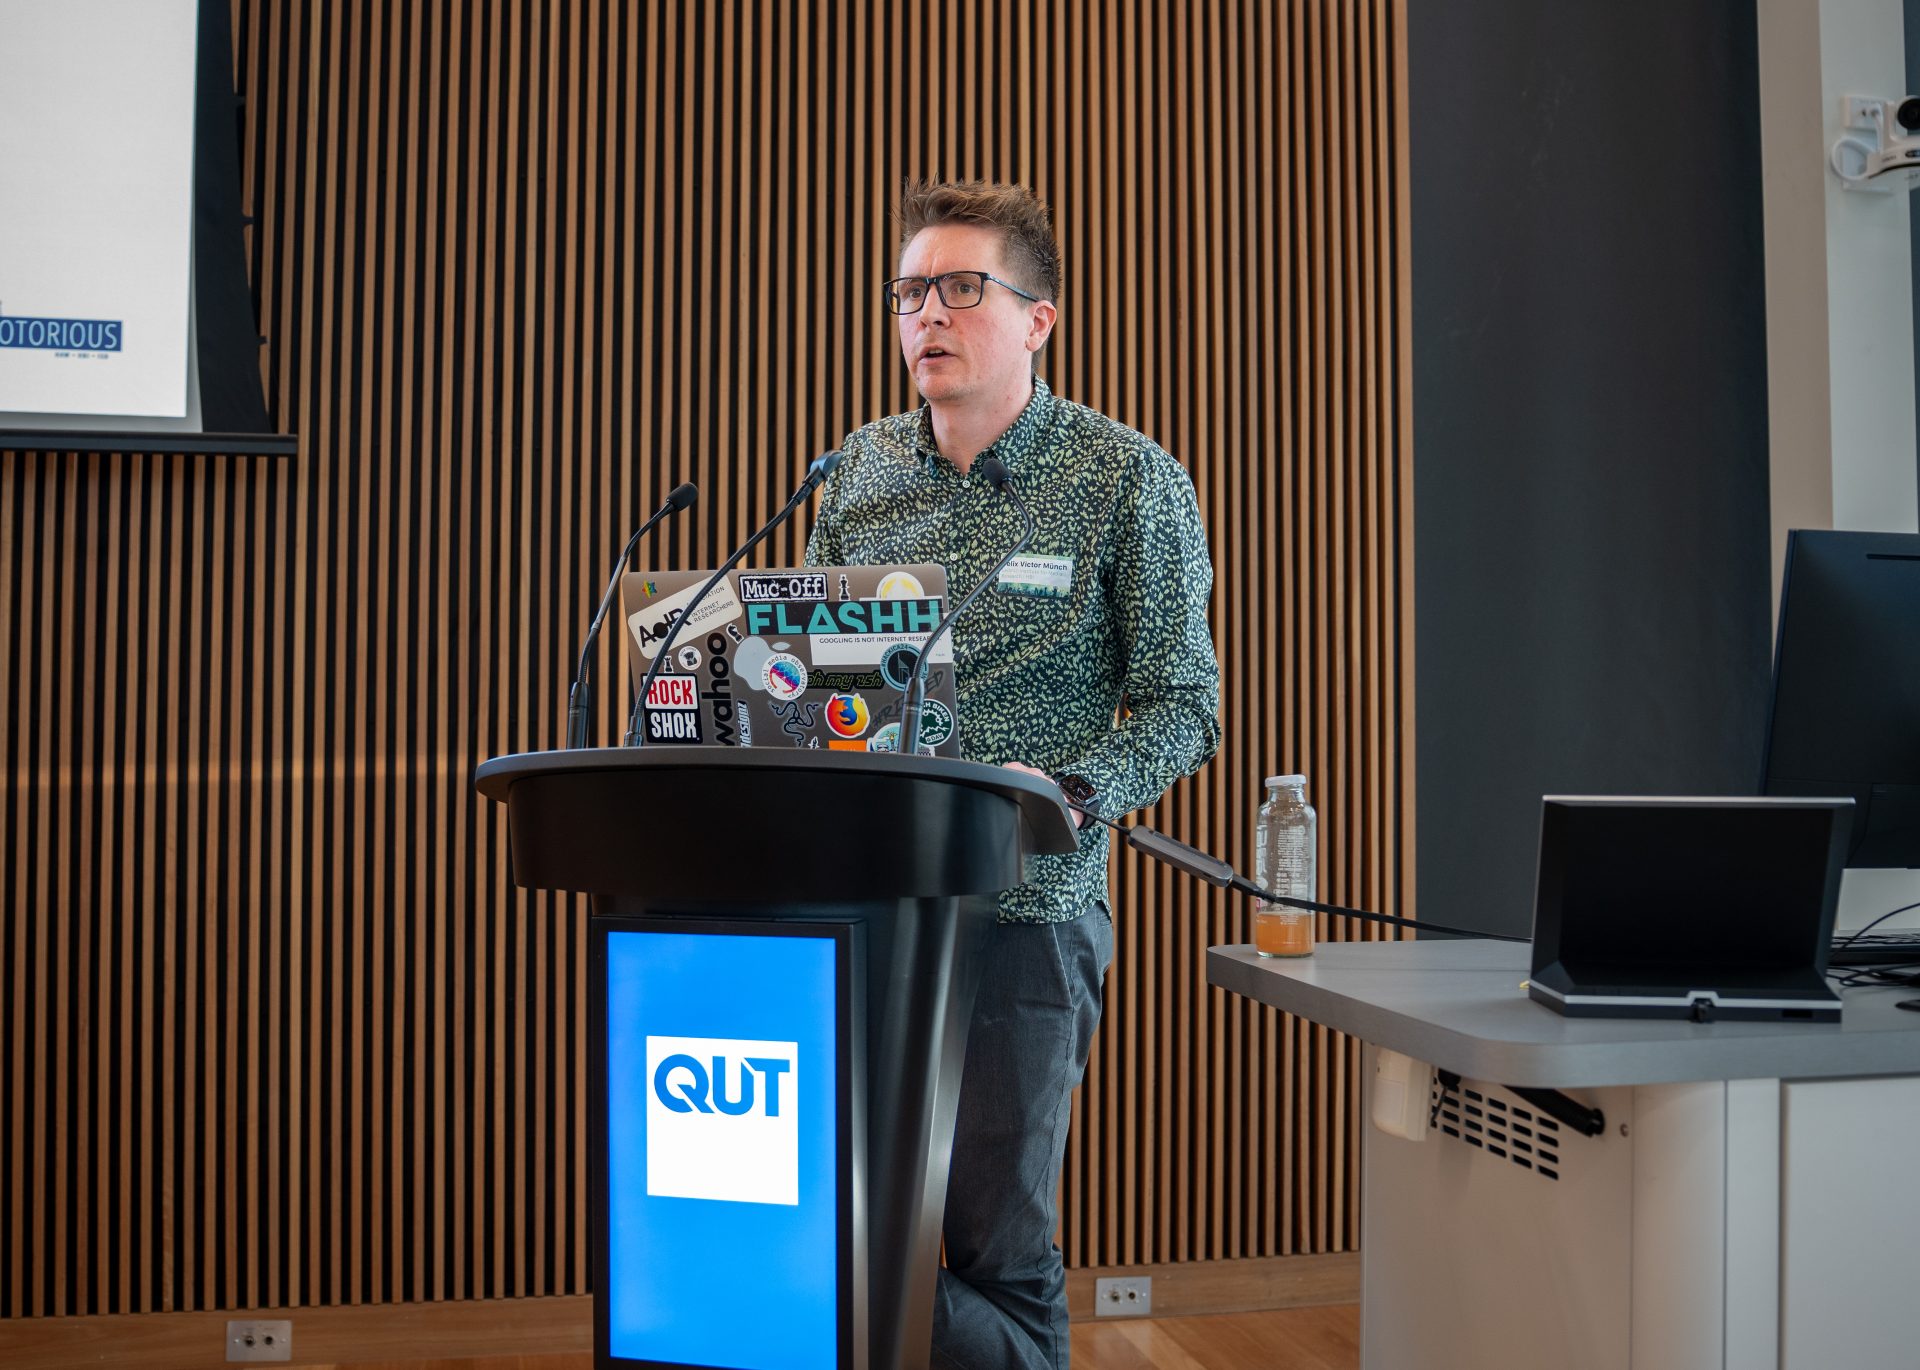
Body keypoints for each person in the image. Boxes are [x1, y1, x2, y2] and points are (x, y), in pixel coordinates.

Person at [805, 179, 1221, 1370]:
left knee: (997, 1248)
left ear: (1038, 318)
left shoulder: (1125, 479)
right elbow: (809, 688)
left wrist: (1074, 790)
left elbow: (1188, 704)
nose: (925, 314)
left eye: (959, 288)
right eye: (907, 291)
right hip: (870, 915)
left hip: (1027, 921)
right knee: (851, 1236)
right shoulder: (856, 476)